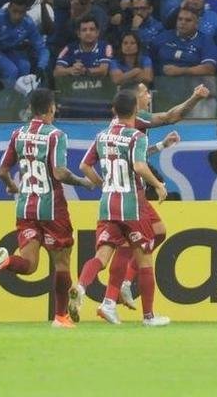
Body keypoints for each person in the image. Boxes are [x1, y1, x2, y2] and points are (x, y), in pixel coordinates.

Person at [0, 88, 91, 328]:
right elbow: (60, 172)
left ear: (31, 109)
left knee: (28, 265)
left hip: (25, 209)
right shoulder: (56, 135)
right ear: (51, 107)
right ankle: (60, 317)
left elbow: (1, 171)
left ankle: (6, 261)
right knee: (62, 262)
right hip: (52, 208)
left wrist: (12, 187)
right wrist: (83, 182)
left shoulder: (17, 134)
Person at [71, 90, 172, 327]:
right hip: (131, 204)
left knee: (102, 255)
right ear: (136, 111)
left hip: (107, 203)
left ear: (114, 111)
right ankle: (148, 316)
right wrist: (158, 185)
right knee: (145, 259)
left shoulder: (102, 136)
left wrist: (100, 183)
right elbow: (138, 165)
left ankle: (82, 287)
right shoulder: (137, 136)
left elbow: (84, 166)